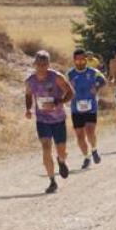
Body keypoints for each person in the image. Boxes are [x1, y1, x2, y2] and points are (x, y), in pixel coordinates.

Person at [25, 50, 74, 194]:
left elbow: (71, 93)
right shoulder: (30, 81)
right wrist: (28, 109)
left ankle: (61, 161)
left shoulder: (57, 77)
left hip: (58, 119)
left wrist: (59, 102)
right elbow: (28, 95)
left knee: (61, 150)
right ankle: (52, 181)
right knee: (46, 147)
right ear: (34, 64)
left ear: (48, 64)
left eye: (44, 64)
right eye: (39, 64)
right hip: (42, 120)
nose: (41, 67)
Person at [66, 49, 107, 168]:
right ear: (74, 60)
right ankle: (86, 157)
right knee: (79, 136)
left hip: (91, 107)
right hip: (76, 109)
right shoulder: (69, 74)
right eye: (77, 60)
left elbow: (103, 80)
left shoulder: (93, 71)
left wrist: (97, 87)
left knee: (90, 131)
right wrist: (67, 91)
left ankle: (94, 149)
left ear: (86, 59)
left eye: (82, 59)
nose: (80, 62)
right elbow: (62, 86)